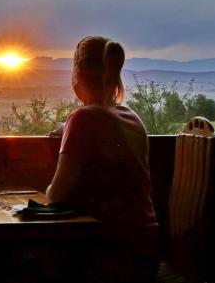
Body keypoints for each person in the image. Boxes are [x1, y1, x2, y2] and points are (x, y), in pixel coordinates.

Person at [45, 36, 160, 283]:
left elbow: (56, 196)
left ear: (78, 72)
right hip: (146, 247)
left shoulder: (83, 119)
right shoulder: (131, 116)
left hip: (109, 252)